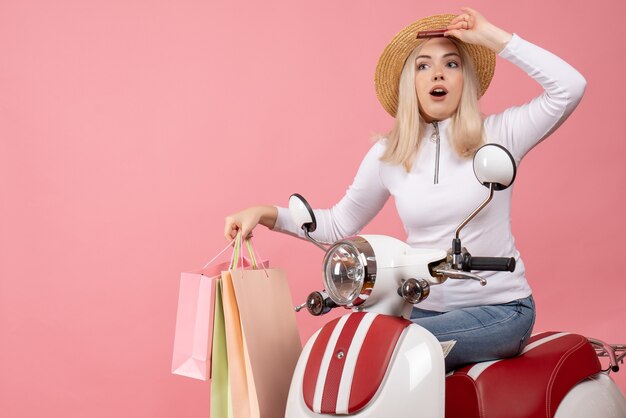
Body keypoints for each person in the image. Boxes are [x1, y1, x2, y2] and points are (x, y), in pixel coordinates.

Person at [223, 8, 586, 372]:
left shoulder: (501, 134)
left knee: (389, 350)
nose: (438, 73)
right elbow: (338, 223)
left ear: (465, 78)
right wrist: (265, 214)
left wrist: (493, 37)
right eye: (423, 65)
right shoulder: (390, 153)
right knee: (351, 343)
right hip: (421, 306)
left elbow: (569, 87)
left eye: (452, 63)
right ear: (409, 81)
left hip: (502, 311)